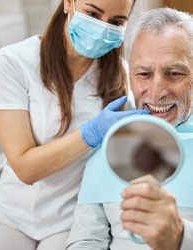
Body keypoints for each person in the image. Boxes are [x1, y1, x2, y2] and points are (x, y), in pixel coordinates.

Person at [0, 0, 149, 249]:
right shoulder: (13, 63)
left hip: (72, 219)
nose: (102, 28)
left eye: (116, 23)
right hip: (10, 214)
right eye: (93, 13)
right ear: (68, 3)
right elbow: (25, 168)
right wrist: (91, 133)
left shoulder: (122, 77)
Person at [65, 7, 193, 250]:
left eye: (174, 73)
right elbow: (85, 240)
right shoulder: (108, 149)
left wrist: (181, 238)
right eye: (143, 74)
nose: (156, 93)